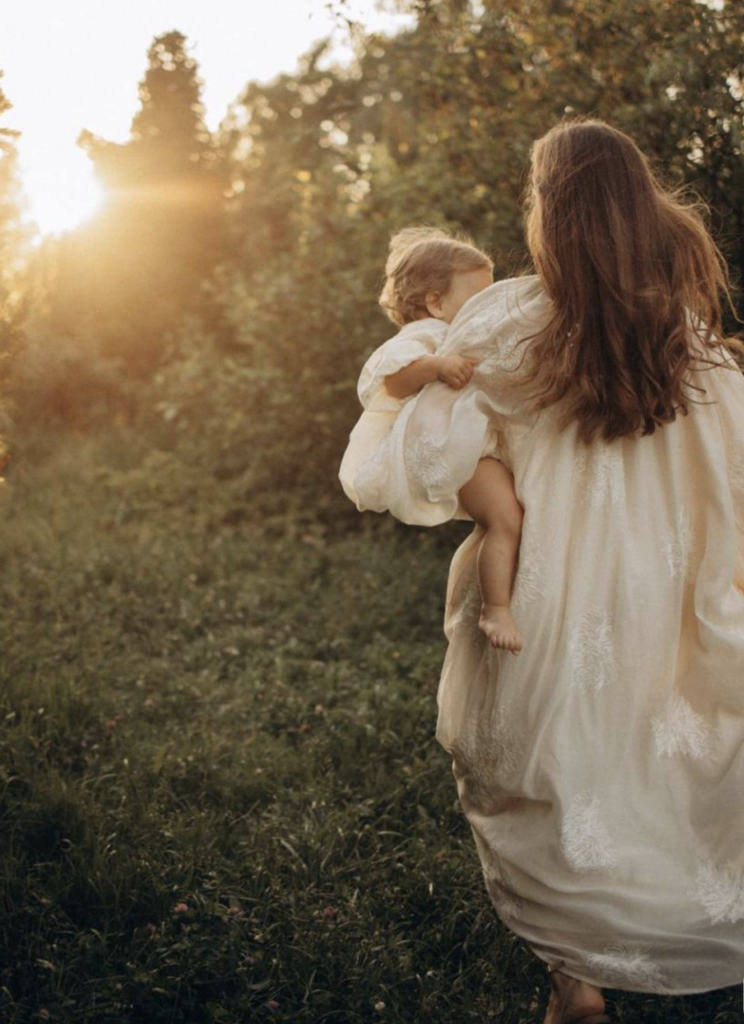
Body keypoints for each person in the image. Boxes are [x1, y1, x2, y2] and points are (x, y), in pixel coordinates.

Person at [347, 117, 744, 1022]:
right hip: (660, 583)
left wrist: (483, 480)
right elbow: (732, 469)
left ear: (550, 212)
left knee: (544, 771)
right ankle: (639, 939)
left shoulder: (509, 321)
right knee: (642, 758)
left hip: (547, 589)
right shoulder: (684, 336)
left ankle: (575, 978)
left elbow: (427, 461)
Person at [339, 226, 526, 653]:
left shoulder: (458, 333)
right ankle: (495, 609)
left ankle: (497, 599)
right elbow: (391, 380)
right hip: (455, 449)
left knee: (506, 518)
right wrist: (437, 366)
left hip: (475, 446)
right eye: (476, 298)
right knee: (506, 520)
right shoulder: (422, 337)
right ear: (435, 303)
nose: (485, 307)